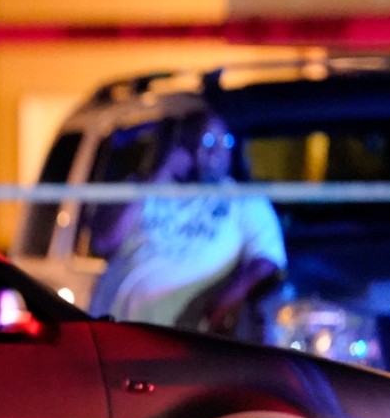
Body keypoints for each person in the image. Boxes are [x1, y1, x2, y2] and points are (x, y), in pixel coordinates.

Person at [90, 110, 286, 335]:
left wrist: (225, 303)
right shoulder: (142, 189)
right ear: (184, 145)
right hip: (113, 329)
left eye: (225, 141)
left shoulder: (245, 201)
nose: (216, 150)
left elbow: (267, 261)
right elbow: (104, 241)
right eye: (208, 140)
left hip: (181, 339)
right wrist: (159, 174)